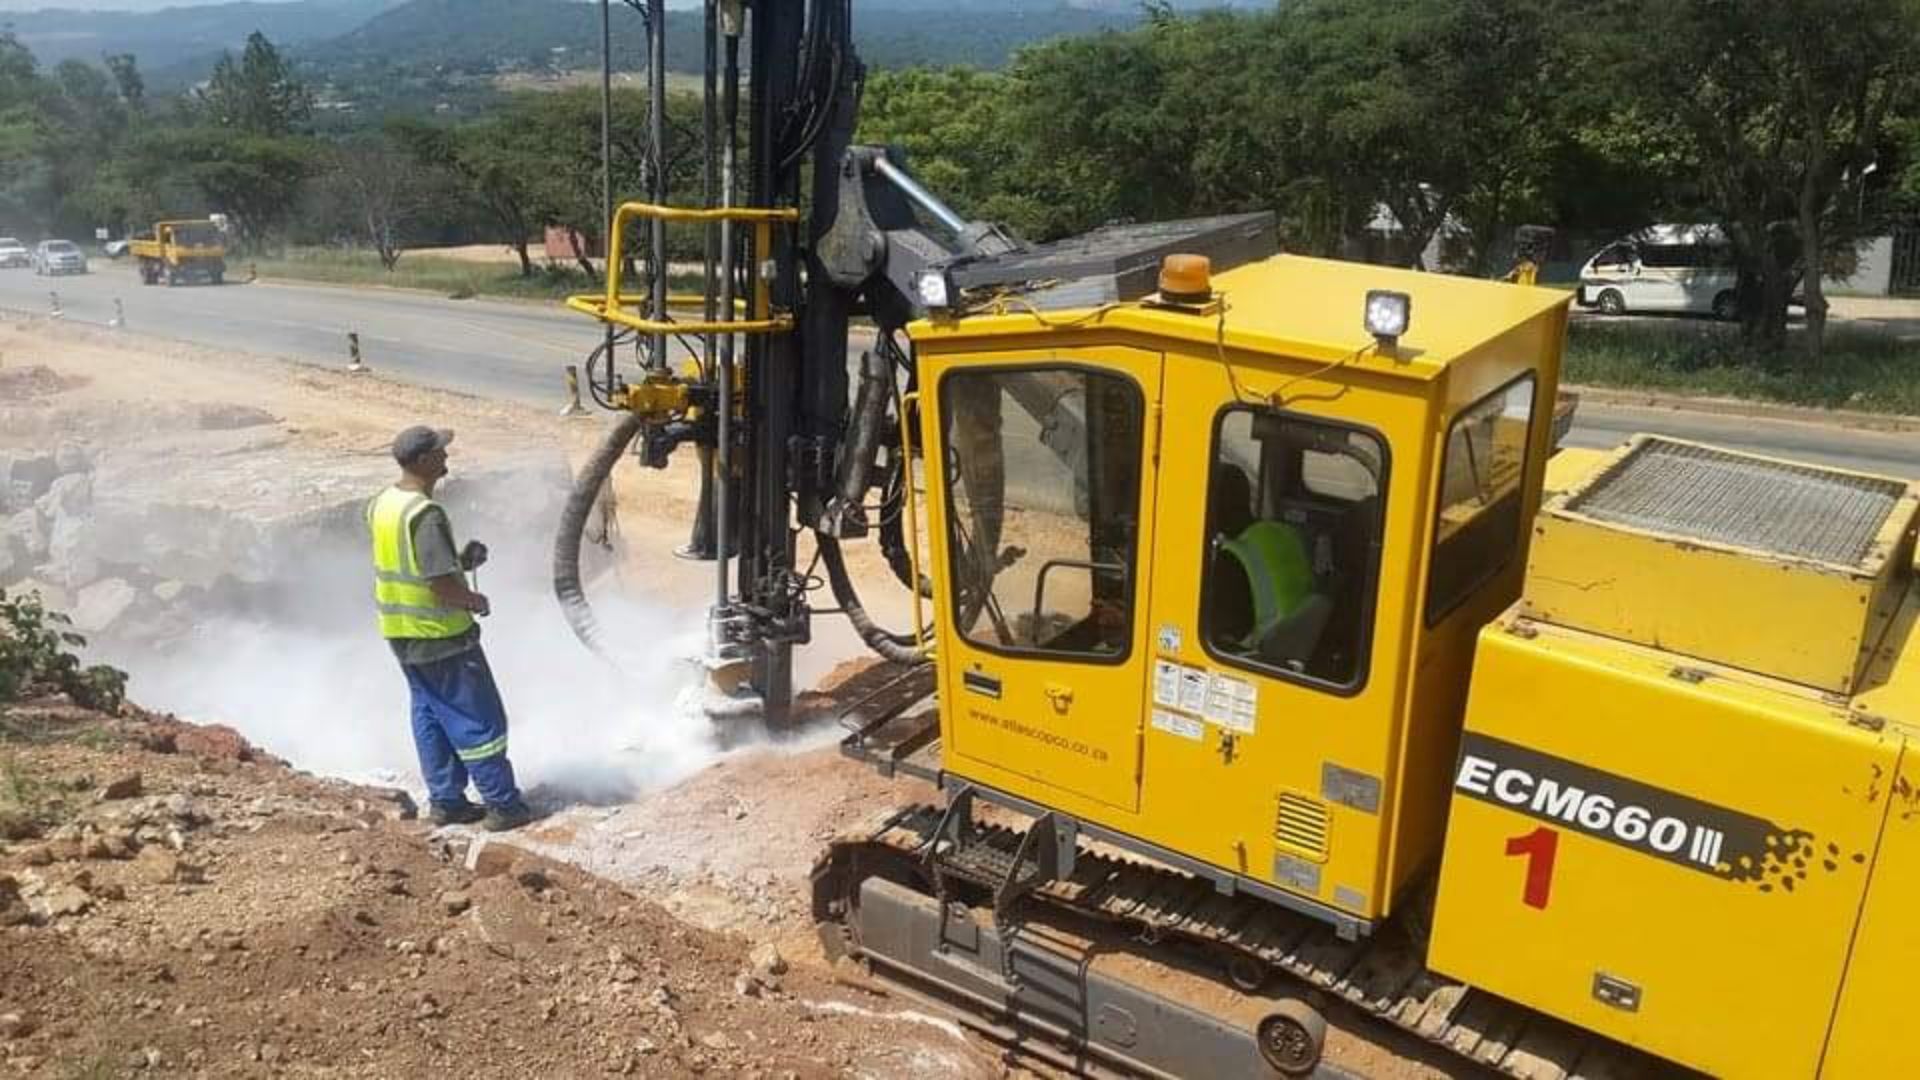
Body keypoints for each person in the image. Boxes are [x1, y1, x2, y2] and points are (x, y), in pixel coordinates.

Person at [367, 425, 533, 832]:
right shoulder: (425, 514)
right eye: (440, 452)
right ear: (423, 461)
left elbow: (413, 564)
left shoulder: (383, 503)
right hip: (440, 637)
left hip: (401, 632)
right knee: (478, 718)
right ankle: (502, 804)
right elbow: (438, 585)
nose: (446, 457)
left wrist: (459, 562)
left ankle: (446, 801)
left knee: (430, 715)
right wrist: (474, 600)